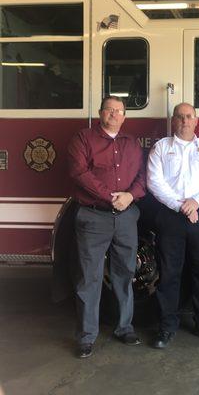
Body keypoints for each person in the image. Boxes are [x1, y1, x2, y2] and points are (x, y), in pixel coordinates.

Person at [68, 96, 146, 358]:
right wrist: (111, 196)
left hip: (125, 217)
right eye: (109, 110)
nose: (114, 114)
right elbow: (79, 173)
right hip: (93, 216)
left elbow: (142, 176)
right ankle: (86, 337)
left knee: (125, 274)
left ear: (125, 116)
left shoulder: (132, 144)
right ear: (100, 113)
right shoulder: (83, 139)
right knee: (89, 277)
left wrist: (130, 196)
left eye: (119, 111)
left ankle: (124, 328)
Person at [147, 102, 199, 349]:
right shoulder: (160, 148)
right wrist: (181, 205)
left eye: (188, 116)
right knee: (169, 274)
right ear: (173, 120)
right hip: (171, 216)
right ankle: (167, 326)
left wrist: (195, 202)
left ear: (196, 120)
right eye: (179, 117)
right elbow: (154, 182)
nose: (184, 121)